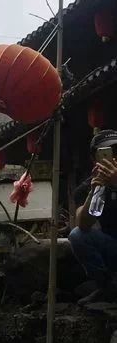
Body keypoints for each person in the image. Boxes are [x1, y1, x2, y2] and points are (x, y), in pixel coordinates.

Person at [70, 129, 117, 304]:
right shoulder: (87, 187)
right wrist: (96, 191)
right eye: (106, 152)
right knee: (77, 236)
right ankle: (107, 288)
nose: (113, 157)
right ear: (95, 158)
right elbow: (83, 225)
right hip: (112, 247)